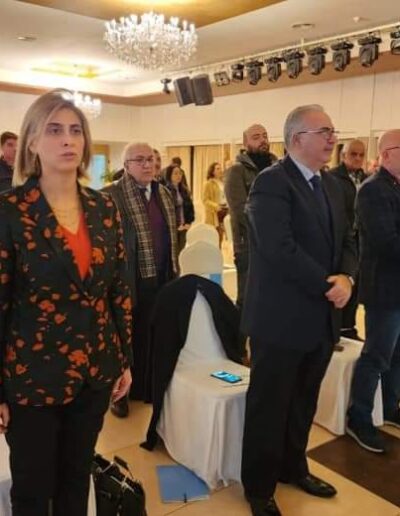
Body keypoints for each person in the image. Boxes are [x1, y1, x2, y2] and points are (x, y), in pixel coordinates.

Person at [0, 90, 133, 516]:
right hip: (32, 379)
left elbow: (118, 290)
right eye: (54, 130)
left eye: (76, 130)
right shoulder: (10, 211)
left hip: (94, 371)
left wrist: (123, 358)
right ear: (32, 142)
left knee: (76, 479)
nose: (68, 140)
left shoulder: (104, 207)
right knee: (32, 490)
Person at [241, 105, 357, 516]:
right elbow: (279, 249)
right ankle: (258, 488)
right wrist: (330, 286)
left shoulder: (332, 185)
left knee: (304, 402)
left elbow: (348, 239)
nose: (332, 138)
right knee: (269, 407)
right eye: (324, 131)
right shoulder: (271, 183)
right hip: (280, 320)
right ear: (296, 139)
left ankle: (294, 468)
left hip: (320, 320)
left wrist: (347, 277)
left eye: (333, 130)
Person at [104, 142, 178, 414]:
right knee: (125, 338)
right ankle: (118, 396)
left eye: (151, 159)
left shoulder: (163, 193)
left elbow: (171, 236)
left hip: (161, 275)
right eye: (140, 160)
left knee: (151, 334)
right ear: (126, 165)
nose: (148, 164)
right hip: (127, 279)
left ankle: (145, 387)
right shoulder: (110, 196)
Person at [346, 129, 400, 454]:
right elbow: (385, 242)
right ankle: (359, 416)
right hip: (384, 288)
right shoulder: (372, 190)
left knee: (397, 354)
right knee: (377, 355)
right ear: (388, 153)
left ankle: (391, 406)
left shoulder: (394, 187)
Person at [224, 124, 277, 311]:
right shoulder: (236, 171)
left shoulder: (278, 169)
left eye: (265, 136)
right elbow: (240, 211)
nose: (263, 140)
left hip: (278, 244)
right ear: (245, 143)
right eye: (256, 137)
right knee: (249, 301)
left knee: (273, 300)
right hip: (248, 246)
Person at [331, 139, 367, 341]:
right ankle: (336, 329)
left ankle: (348, 327)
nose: (358, 158)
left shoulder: (367, 179)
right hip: (341, 241)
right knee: (341, 283)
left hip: (362, 241)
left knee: (357, 282)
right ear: (343, 155)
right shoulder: (332, 178)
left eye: (361, 155)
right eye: (353, 154)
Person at [164, 164, 194, 253]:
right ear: (169, 175)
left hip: (183, 226)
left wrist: (188, 222)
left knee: (181, 251)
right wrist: (176, 225)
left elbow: (190, 208)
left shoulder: (184, 190)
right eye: (175, 173)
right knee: (172, 252)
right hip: (172, 228)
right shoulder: (165, 190)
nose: (178, 176)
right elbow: (166, 211)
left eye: (180, 173)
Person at [203, 161, 228, 246]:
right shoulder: (208, 184)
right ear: (212, 171)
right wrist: (215, 206)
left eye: (221, 168)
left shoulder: (223, 182)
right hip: (215, 212)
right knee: (215, 237)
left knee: (221, 237)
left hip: (225, 210)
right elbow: (205, 200)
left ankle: (219, 252)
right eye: (218, 169)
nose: (220, 170)